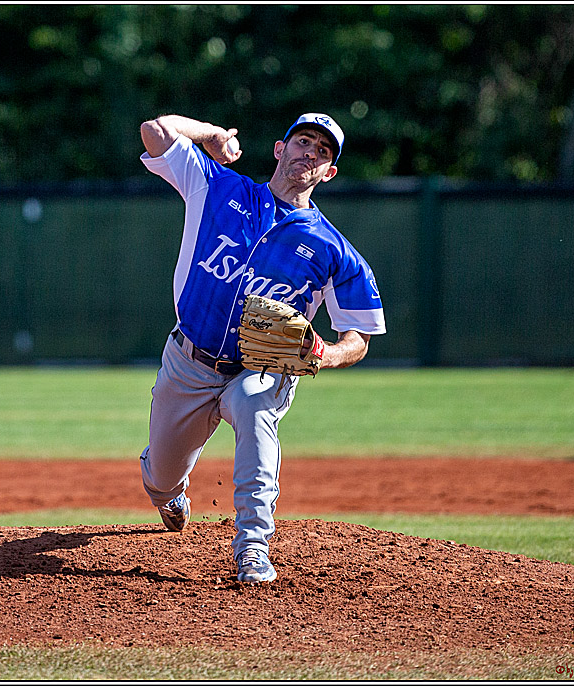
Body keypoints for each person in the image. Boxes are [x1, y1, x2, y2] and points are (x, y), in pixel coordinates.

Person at [137, 112, 386, 583]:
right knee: (160, 479)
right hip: (189, 361)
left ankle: (253, 545)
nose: (310, 153)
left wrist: (325, 354)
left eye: (323, 151)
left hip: (261, 368)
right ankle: (170, 493)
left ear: (329, 172)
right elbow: (155, 131)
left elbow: (359, 338)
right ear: (279, 148)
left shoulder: (333, 250)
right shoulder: (217, 187)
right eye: (303, 141)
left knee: (253, 404)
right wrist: (213, 135)